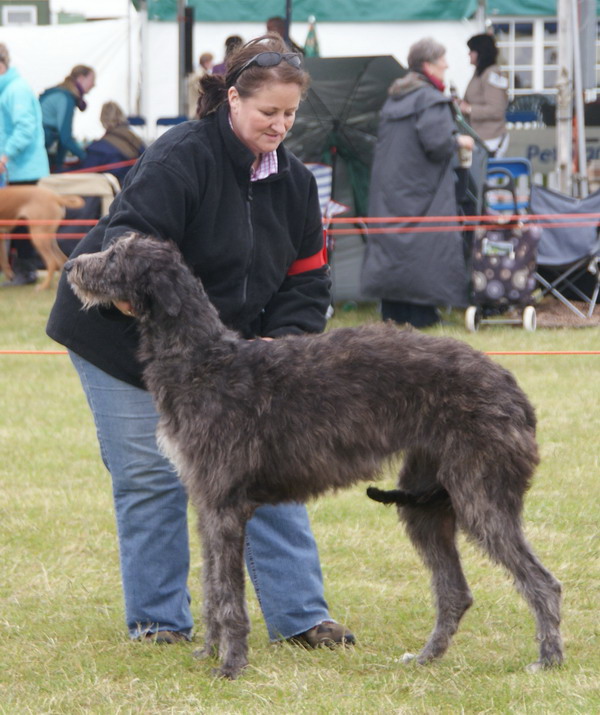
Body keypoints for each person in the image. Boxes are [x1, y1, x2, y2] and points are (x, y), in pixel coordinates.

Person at [46, 34, 354, 650]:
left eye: (290, 115)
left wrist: (282, 346)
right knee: (151, 477)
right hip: (122, 339)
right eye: (268, 112)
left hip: (237, 356)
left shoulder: (296, 184)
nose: (280, 125)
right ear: (233, 99)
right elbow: (129, 248)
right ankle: (159, 622)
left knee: (269, 470)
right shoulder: (179, 156)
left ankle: (301, 618)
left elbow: (307, 278)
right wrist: (159, 320)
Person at [361, 37, 474, 328]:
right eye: (442, 60)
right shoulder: (429, 98)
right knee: (426, 248)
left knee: (395, 251)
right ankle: (422, 316)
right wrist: (458, 139)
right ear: (428, 65)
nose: (447, 65)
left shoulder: (396, 96)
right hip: (421, 191)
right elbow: (437, 144)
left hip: (392, 190)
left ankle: (393, 313)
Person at [0, 42, 50, 286]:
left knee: (22, 225)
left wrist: (5, 155)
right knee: (16, 224)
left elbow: (25, 127)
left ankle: (26, 271)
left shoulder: (15, 89)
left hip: (24, 168)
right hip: (17, 168)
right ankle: (20, 270)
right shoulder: (7, 89)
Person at [39, 64, 96, 172]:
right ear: (81, 79)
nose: (94, 84)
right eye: (92, 80)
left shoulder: (61, 93)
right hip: (38, 148)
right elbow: (65, 138)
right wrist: (85, 157)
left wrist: (59, 165)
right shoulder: (66, 98)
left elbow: (62, 137)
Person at [460, 33, 509, 157]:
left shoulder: (492, 74)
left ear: (480, 52)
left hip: (491, 139)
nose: (468, 54)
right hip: (480, 137)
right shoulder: (479, 73)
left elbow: (497, 110)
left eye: (471, 50)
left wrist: (469, 109)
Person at [81, 101, 145, 186]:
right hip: (137, 189)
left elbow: (85, 175)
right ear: (122, 116)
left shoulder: (98, 149)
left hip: (112, 193)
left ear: (102, 119)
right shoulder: (137, 141)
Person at [186, 52, 214, 119]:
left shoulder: (197, 74)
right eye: (211, 62)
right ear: (206, 63)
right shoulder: (200, 76)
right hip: (197, 110)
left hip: (195, 109)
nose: (212, 64)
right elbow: (202, 91)